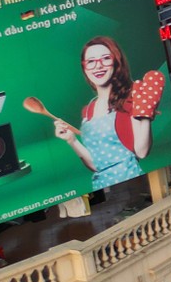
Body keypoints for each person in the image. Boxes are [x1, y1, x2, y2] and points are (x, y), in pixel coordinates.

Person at [50, 36, 161, 187]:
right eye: (91, 62)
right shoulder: (87, 111)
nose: (98, 66)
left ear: (116, 62)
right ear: (84, 68)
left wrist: (146, 113)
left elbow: (142, 152)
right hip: (100, 185)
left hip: (131, 179)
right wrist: (72, 140)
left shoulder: (130, 99)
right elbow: (97, 166)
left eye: (106, 59)